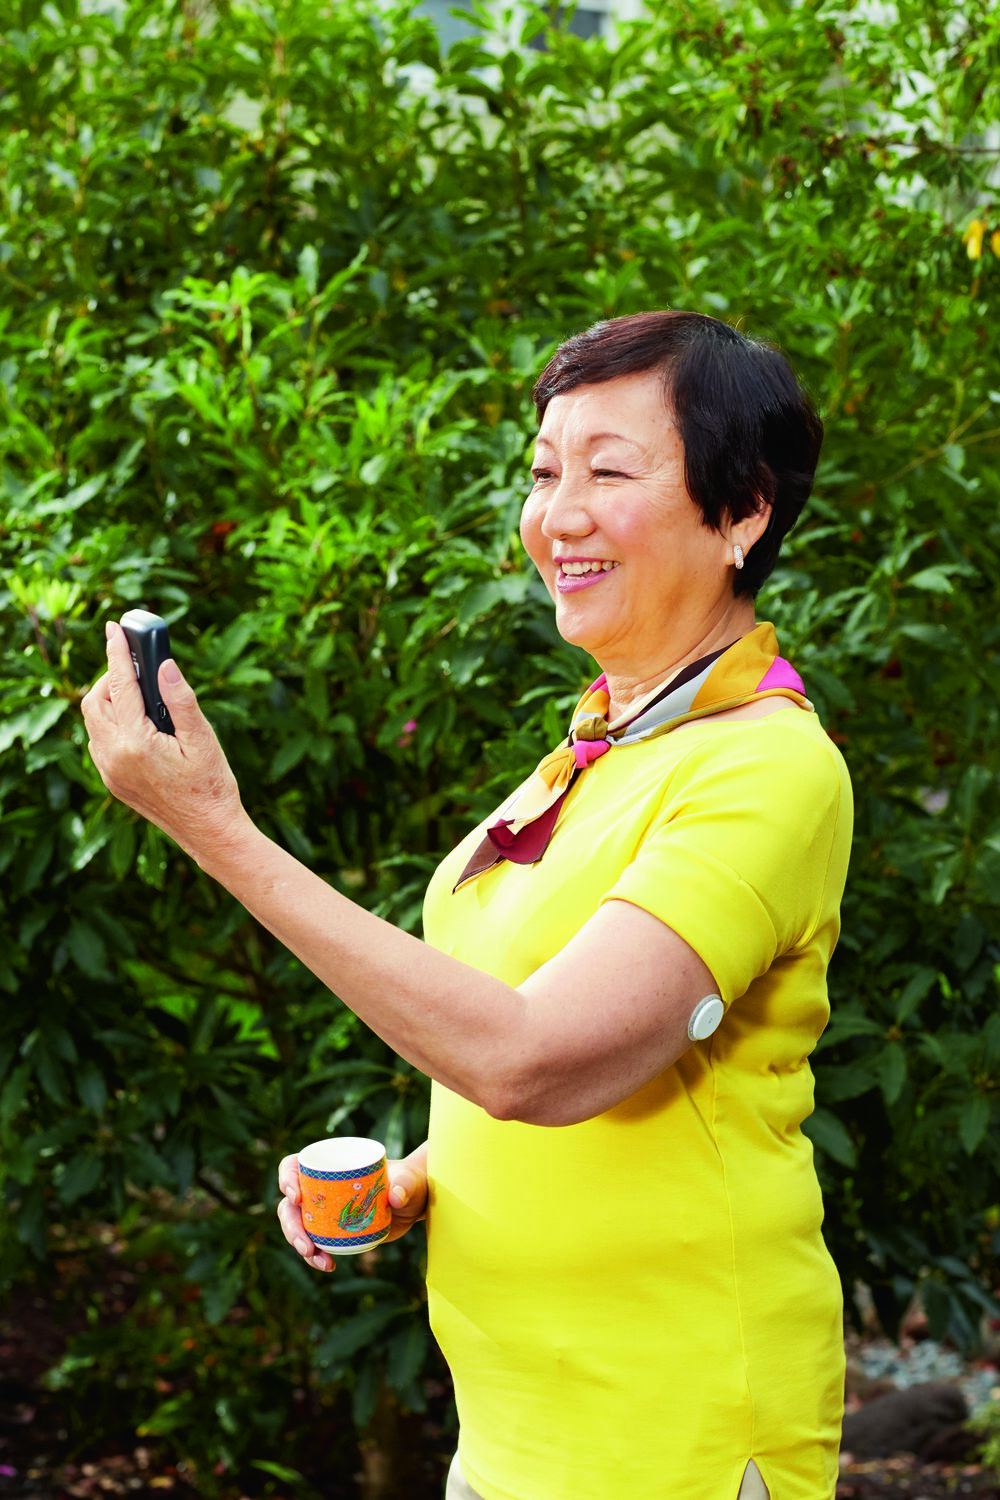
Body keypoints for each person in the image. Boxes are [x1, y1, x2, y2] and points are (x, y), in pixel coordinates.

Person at [82, 310, 852, 1500]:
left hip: (676, 1433)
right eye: (545, 472)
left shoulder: (767, 770)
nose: (559, 514)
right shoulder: (603, 743)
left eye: (609, 470)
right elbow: (571, 1058)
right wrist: (427, 1171)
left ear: (742, 510)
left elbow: (535, 1063)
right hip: (510, 1434)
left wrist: (213, 830)